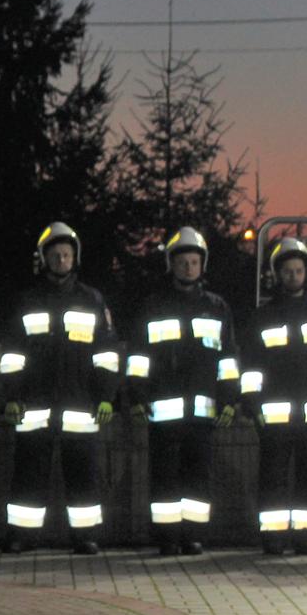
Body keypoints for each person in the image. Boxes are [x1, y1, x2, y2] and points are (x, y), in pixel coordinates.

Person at [0, 222, 121, 555]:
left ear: (74, 258)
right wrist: (11, 396)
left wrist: (107, 397)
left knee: (84, 475)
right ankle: (22, 536)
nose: (61, 260)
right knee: (28, 474)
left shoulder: (92, 300)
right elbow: (12, 355)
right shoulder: (26, 301)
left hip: (81, 405)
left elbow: (107, 355)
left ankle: (85, 537)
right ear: (44, 258)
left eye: (66, 254)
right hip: (33, 406)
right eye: (55, 255)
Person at [124, 227, 239, 556]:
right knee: (164, 476)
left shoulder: (218, 308)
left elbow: (228, 359)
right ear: (170, 265)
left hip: (203, 412)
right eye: (182, 262)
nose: (188, 268)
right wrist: (136, 396)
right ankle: (167, 537)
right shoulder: (153, 307)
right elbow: (138, 358)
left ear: (202, 265)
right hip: (161, 411)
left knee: (198, 477)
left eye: (194, 262)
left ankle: (193, 536)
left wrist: (230, 399)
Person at [240, 238, 307, 556]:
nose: (293, 276)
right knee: (271, 477)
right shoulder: (262, 317)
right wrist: (251, 405)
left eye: (298, 270)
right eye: (287, 271)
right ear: (277, 275)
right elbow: (250, 366)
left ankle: (306, 536)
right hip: (272, 416)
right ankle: (272, 537)